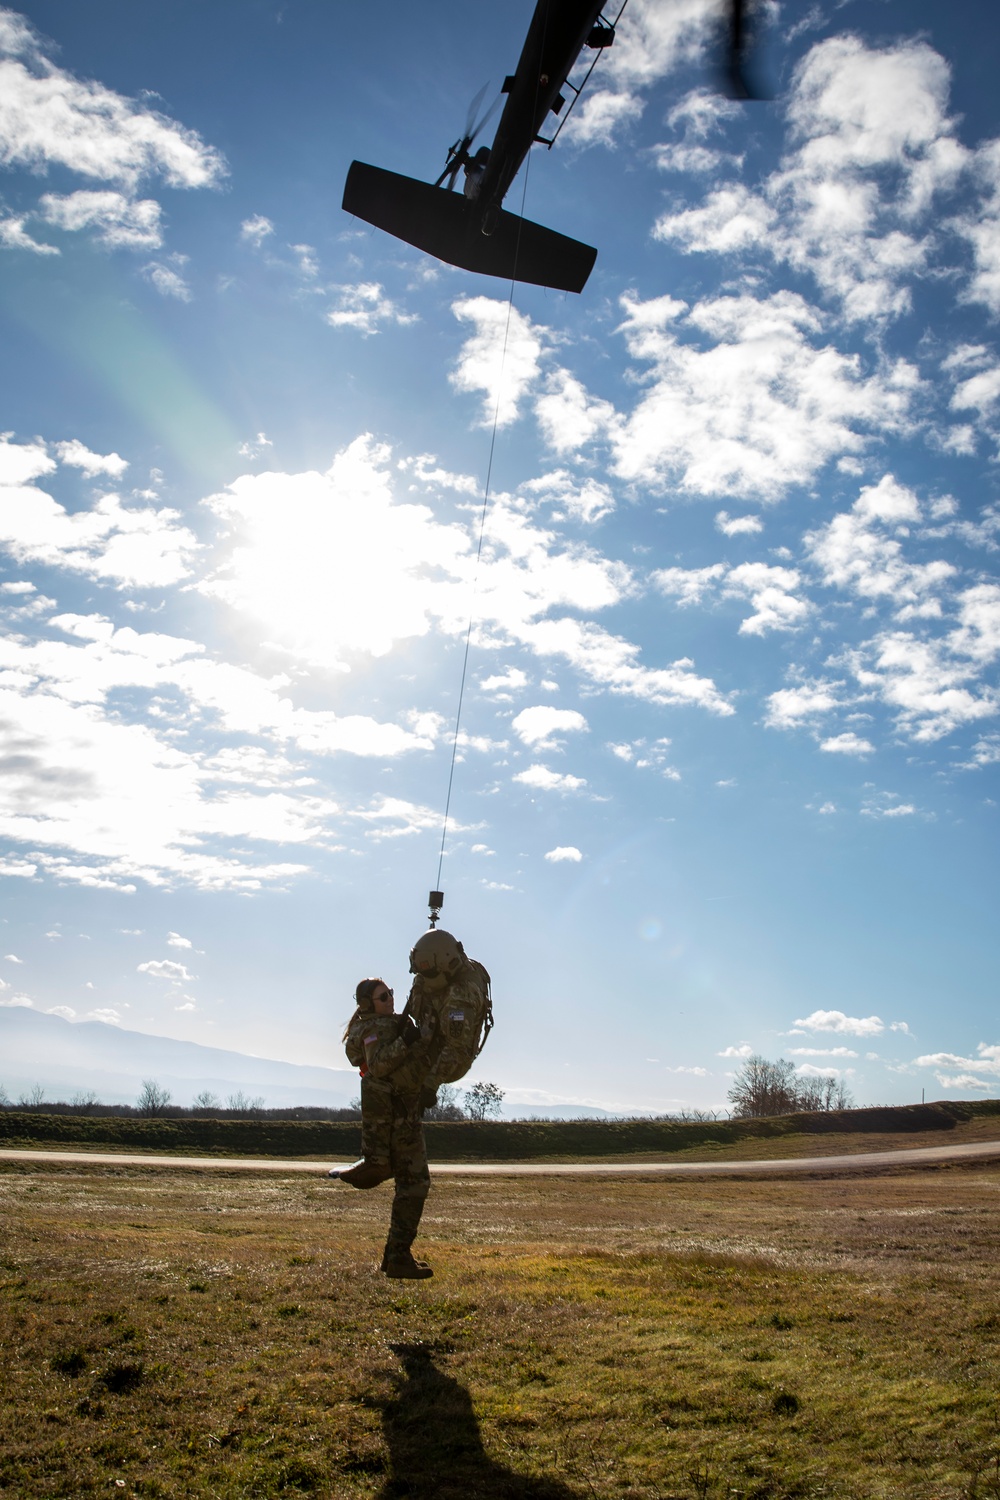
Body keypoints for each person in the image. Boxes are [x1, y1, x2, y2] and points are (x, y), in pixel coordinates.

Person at [332, 976, 440, 1280]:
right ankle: (397, 1256)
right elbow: (378, 1065)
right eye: (383, 997)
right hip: (397, 1119)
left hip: (402, 1113)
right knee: (415, 1183)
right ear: (368, 1004)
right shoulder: (372, 1030)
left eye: (391, 993)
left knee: (412, 1183)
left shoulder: (386, 1025)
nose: (390, 999)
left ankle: (396, 1257)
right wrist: (406, 1040)